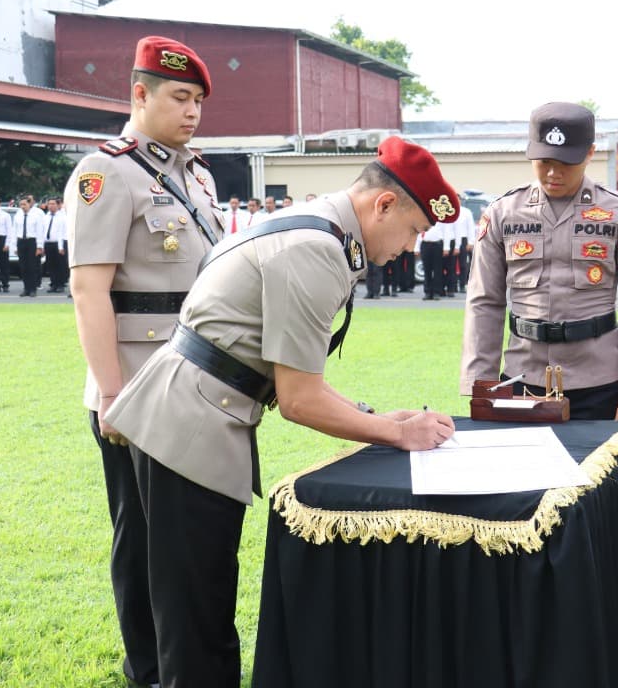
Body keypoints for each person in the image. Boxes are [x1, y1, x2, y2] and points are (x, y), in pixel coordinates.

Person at [104, 135, 459, 686]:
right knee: (198, 618)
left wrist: (383, 420)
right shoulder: (317, 249)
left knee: (185, 603)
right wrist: (395, 434)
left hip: (188, 411)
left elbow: (297, 380)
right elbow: (298, 399)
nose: (413, 247)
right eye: (414, 229)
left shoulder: (317, 227)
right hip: (191, 423)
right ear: (384, 204)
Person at [64, 35, 221, 688]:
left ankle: (180, 669)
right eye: (179, 97)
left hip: (196, 380)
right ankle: (153, 672)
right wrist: (109, 392)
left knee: (187, 548)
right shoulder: (108, 173)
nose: (192, 112)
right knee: (147, 548)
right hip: (138, 386)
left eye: (198, 102)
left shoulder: (197, 175)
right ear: (139, 94)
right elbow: (88, 287)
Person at [460, 102, 618, 420]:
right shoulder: (502, 213)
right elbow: (484, 301)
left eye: (567, 162)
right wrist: (480, 382)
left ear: (591, 153)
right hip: (520, 380)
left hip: (600, 384)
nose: (554, 173)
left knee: (598, 471)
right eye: (544, 161)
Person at [13, 196, 45, 296]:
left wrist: (39, 247)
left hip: (32, 241)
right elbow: (14, 231)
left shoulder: (35, 216)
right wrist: (15, 247)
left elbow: (40, 232)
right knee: (23, 267)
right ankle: (26, 288)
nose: (23, 206)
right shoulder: (18, 216)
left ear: (29, 204)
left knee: (32, 266)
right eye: (21, 204)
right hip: (21, 241)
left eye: (25, 204)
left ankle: (33, 289)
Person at [43, 197, 69, 293]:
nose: (51, 206)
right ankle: (53, 284)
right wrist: (42, 246)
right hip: (48, 243)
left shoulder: (62, 217)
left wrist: (61, 247)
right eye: (49, 204)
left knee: (60, 265)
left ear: (58, 205)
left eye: (53, 204)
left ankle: (60, 284)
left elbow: (62, 233)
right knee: (51, 265)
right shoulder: (45, 217)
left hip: (59, 244)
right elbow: (43, 232)